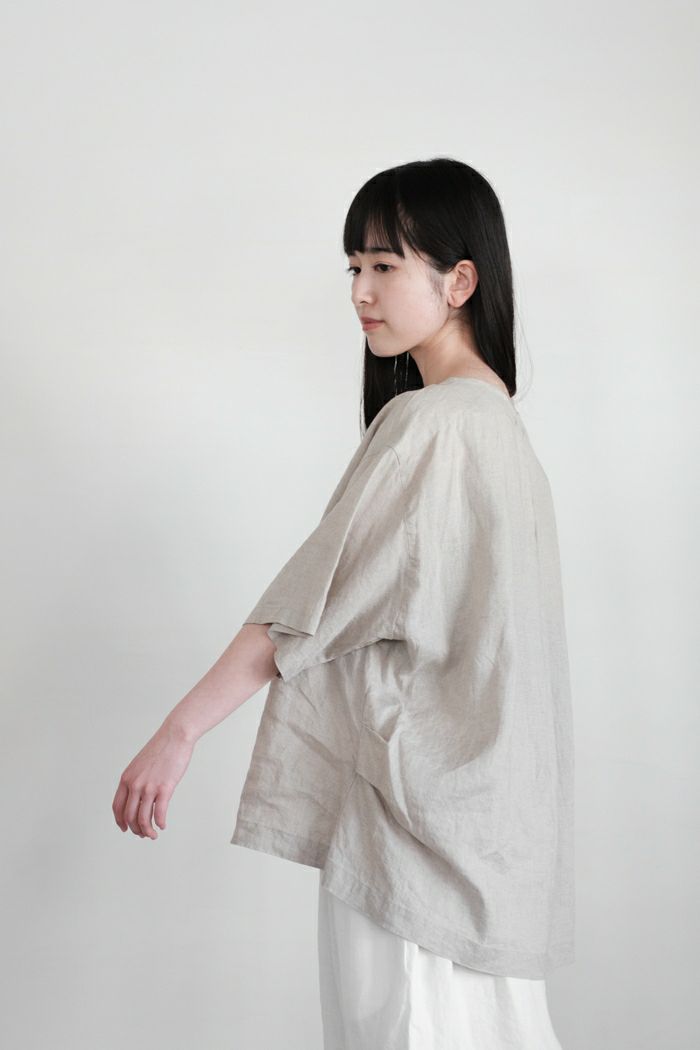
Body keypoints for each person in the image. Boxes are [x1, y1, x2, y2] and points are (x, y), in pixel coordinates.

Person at [112, 157, 574, 1049]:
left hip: (411, 842)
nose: (360, 291)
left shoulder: (430, 425)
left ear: (460, 281)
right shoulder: (501, 430)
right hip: (486, 845)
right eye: (354, 267)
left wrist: (179, 731)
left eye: (385, 265)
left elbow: (309, 606)